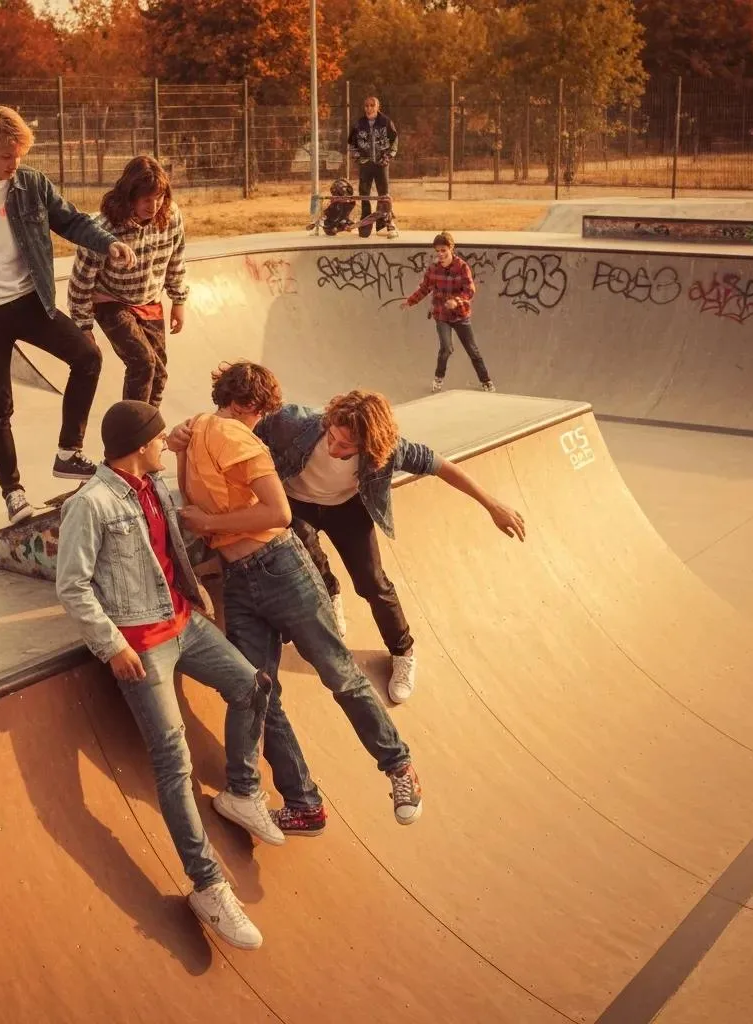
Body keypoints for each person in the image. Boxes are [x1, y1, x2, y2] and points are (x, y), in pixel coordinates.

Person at [56, 399, 285, 952]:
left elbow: (173, 546)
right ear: (139, 445)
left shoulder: (153, 485)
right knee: (173, 761)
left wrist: (195, 591)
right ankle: (207, 885)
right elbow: (72, 585)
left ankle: (242, 791)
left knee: (254, 684)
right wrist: (110, 645)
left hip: (184, 623)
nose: (164, 445)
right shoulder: (92, 504)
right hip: (139, 645)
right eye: (158, 439)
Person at [169, 362, 423, 837]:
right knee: (258, 690)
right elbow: (194, 501)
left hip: (281, 568)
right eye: (259, 412)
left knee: (338, 672)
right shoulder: (213, 433)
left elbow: (277, 513)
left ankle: (399, 767)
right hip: (241, 580)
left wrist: (207, 524)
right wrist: (181, 447)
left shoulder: (232, 436)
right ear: (248, 406)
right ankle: (303, 803)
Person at [0, 105, 136, 524]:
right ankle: (13, 493)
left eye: (19, 155)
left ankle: (68, 452)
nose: (13, 164)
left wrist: (107, 242)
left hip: (29, 302)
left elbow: (72, 221)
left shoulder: (33, 184)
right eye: (6, 156)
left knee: (88, 357)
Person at [253, 389, 525, 704]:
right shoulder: (296, 421)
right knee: (303, 546)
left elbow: (441, 466)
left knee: (372, 582)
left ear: (367, 446)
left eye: (345, 446)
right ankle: (330, 589)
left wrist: (492, 505)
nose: (333, 446)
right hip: (295, 502)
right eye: (332, 436)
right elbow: (242, 431)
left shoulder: (388, 450)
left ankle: (403, 650)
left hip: (346, 509)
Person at [68, 155, 187, 408]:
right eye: (146, 199)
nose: (153, 206)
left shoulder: (170, 216)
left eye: (159, 198)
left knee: (159, 373)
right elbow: (81, 280)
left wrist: (179, 300)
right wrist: (83, 326)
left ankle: (149, 429)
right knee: (143, 363)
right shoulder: (103, 228)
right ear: (130, 196)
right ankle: (131, 433)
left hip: (149, 300)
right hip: (111, 301)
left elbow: (176, 258)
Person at [402, 231, 495, 394]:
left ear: (451, 249)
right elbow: (424, 288)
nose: (440, 254)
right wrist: (410, 301)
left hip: (460, 315)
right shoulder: (433, 269)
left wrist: (456, 301)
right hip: (441, 315)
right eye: (437, 251)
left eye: (443, 250)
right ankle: (439, 378)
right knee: (446, 348)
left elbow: (469, 291)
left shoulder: (462, 267)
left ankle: (486, 381)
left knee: (472, 350)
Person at [346, 95, 399, 239]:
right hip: (365, 164)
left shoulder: (385, 122)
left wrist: (388, 156)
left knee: (384, 194)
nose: (369, 108)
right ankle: (366, 222)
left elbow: (394, 140)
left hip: (381, 163)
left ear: (377, 107)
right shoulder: (359, 124)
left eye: (372, 105)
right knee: (364, 193)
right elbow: (351, 142)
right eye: (366, 106)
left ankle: (384, 224)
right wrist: (356, 156)